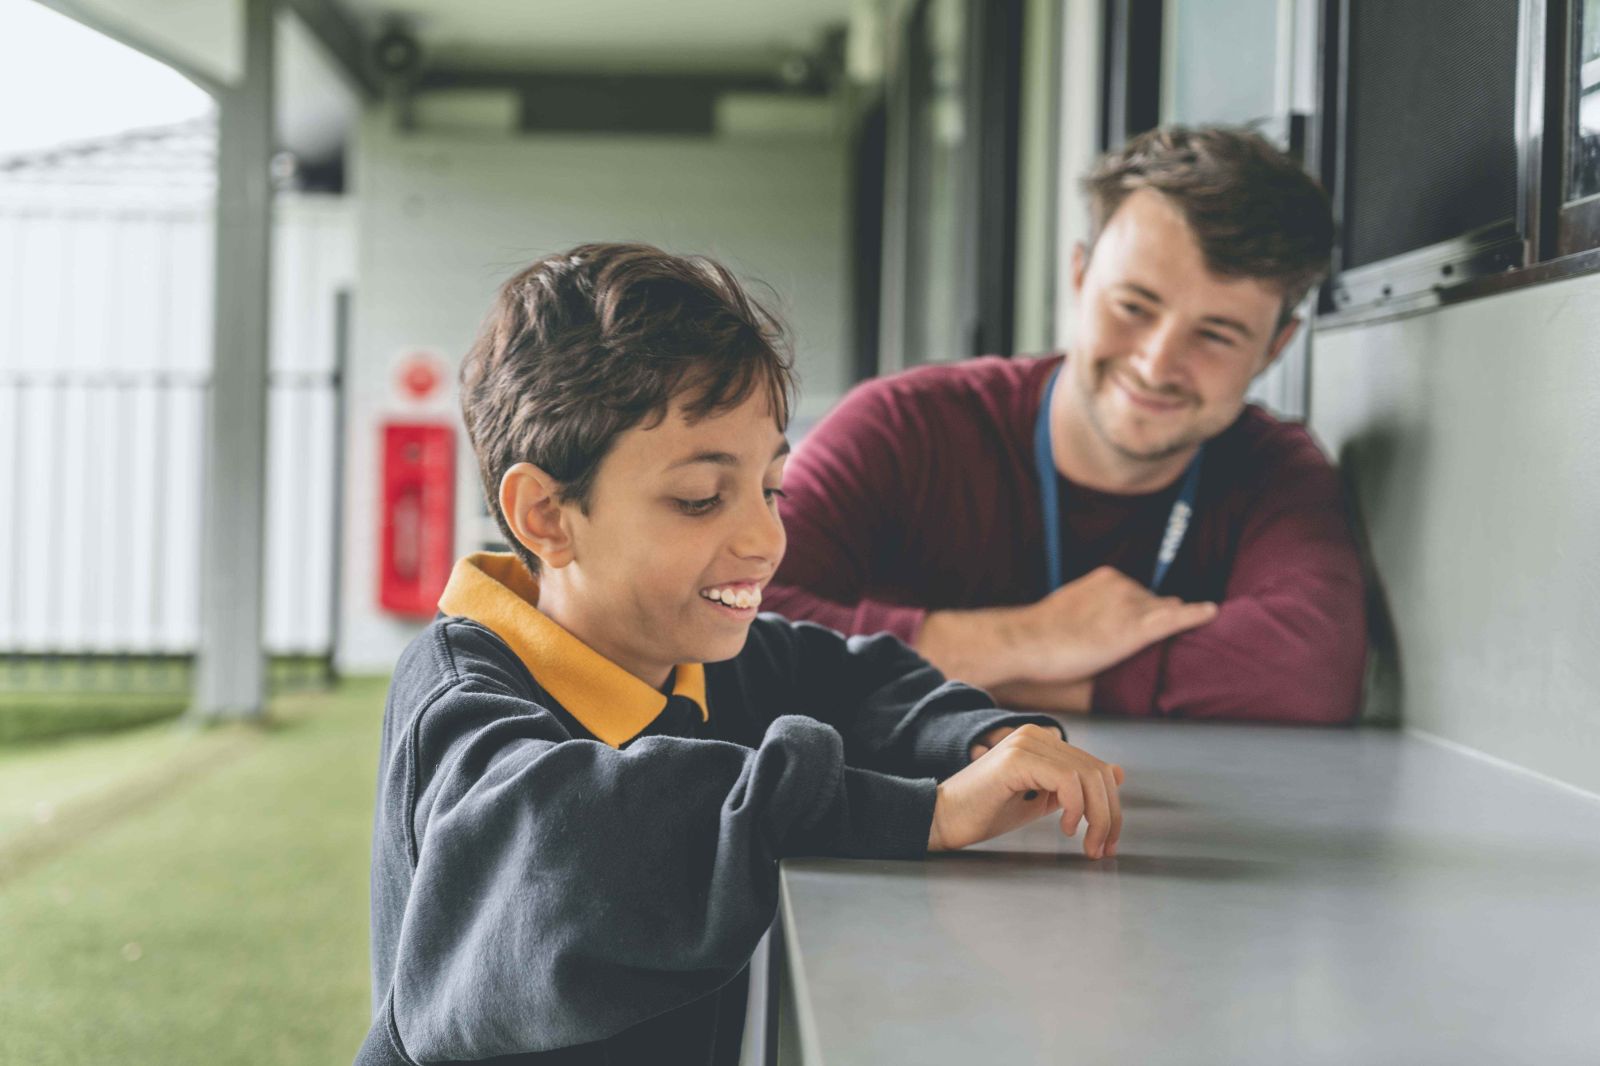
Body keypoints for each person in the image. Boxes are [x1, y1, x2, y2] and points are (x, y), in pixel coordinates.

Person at [356, 243, 1127, 1066]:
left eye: (772, 488)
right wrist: (923, 814)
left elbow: (860, 677)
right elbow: (572, 841)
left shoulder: (699, 655)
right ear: (546, 513)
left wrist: (979, 743)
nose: (766, 539)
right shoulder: (459, 699)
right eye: (699, 499)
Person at [764, 126, 1366, 724]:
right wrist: (1031, 638)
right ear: (1079, 277)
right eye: (1133, 307)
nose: (1156, 364)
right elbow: (740, 620)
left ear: (1275, 347)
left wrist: (994, 676)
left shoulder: (1277, 471)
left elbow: (1311, 672)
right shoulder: (903, 425)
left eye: (1216, 335)